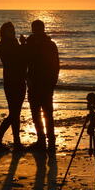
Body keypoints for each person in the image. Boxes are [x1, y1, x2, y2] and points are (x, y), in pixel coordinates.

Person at [24, 20, 60, 151]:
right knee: (38, 114)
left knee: (46, 113)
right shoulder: (30, 43)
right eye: (35, 28)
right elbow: (25, 61)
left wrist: (52, 82)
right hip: (34, 83)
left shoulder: (49, 44)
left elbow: (56, 65)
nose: (37, 31)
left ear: (42, 29)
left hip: (44, 84)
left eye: (38, 28)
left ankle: (48, 141)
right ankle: (42, 140)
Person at [0, 22, 27, 150]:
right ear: (4, 32)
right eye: (9, 30)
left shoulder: (11, 43)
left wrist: (22, 45)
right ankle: (0, 139)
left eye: (12, 30)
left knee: (15, 113)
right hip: (13, 81)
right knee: (14, 113)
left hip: (17, 80)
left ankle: (15, 141)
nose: (12, 32)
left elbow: (20, 59)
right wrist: (24, 45)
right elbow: (17, 60)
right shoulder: (6, 44)